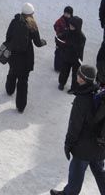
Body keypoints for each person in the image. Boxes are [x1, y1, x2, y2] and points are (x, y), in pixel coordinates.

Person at [50, 65, 105, 195]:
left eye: (78, 75)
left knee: (75, 175)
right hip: (100, 145)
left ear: (82, 79)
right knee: (99, 172)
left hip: (83, 148)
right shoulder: (98, 93)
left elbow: (75, 126)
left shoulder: (82, 99)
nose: (76, 76)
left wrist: (68, 144)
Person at [4, 3, 47, 113]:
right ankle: (21, 106)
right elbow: (37, 42)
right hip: (25, 58)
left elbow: (8, 36)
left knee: (12, 72)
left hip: (13, 55)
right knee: (23, 81)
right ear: (31, 14)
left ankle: (9, 90)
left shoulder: (14, 21)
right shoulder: (32, 24)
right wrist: (43, 42)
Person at [59, 16, 87, 93]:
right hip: (67, 56)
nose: (70, 26)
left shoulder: (81, 37)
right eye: (70, 25)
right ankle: (62, 83)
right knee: (64, 71)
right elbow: (62, 36)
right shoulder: (68, 31)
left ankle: (74, 88)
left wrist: (68, 44)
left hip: (76, 59)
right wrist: (59, 38)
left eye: (72, 26)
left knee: (75, 74)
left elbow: (78, 48)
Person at [54, 6, 75, 72]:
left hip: (68, 42)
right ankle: (57, 67)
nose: (66, 15)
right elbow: (55, 25)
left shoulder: (73, 21)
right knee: (58, 54)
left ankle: (64, 67)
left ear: (71, 14)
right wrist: (59, 33)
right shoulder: (60, 20)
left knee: (66, 55)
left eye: (68, 14)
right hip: (60, 41)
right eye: (65, 13)